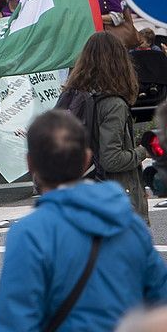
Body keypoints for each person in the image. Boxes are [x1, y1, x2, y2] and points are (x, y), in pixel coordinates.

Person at [0, 110, 167, 332]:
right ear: (86, 158)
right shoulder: (130, 222)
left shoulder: (29, 234)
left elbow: (15, 322)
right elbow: (160, 298)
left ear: (30, 164)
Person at [58, 32, 149, 219]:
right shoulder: (113, 103)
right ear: (120, 62)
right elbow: (112, 159)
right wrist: (142, 151)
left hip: (79, 192)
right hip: (113, 199)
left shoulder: (73, 95)